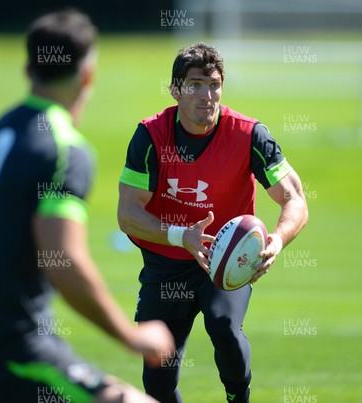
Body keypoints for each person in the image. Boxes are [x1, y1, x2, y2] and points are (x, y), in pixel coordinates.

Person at [0, 9, 174, 403]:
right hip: (14, 347)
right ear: (89, 76)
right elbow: (63, 260)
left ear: (27, 69)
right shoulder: (64, 150)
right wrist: (132, 335)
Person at [117, 43, 309, 403]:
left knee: (224, 327)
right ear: (175, 90)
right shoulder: (150, 136)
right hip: (166, 264)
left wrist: (278, 240)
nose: (207, 95)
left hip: (226, 259)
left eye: (214, 84)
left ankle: (239, 397)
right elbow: (128, 213)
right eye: (195, 85)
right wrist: (180, 236)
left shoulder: (249, 135)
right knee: (158, 375)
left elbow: (294, 199)